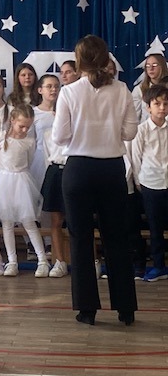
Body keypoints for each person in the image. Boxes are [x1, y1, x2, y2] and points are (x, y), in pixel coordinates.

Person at [52, 34, 138, 326]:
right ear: (105, 58)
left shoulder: (69, 92)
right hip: (111, 169)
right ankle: (125, 309)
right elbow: (130, 133)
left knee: (81, 238)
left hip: (78, 169)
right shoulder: (122, 90)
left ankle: (87, 309)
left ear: (79, 61)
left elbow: (60, 136)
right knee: (117, 238)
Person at [0, 104, 49, 278]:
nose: (24, 130)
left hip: (21, 181)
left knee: (28, 222)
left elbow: (28, 162)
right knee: (7, 223)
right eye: (21, 126)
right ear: (12, 120)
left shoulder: (29, 142)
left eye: (27, 127)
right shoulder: (1, 138)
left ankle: (42, 260)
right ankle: (12, 261)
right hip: (2, 182)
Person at [131, 85, 168, 282]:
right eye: (157, 104)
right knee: (155, 228)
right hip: (150, 184)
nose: (161, 108)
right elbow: (136, 159)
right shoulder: (141, 130)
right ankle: (158, 266)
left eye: (165, 104)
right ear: (148, 107)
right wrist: (140, 182)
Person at [41, 128, 69, 278]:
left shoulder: (78, 131)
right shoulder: (48, 133)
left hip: (73, 170)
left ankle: (85, 261)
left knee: (78, 220)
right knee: (56, 221)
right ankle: (59, 261)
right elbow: (47, 157)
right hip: (55, 171)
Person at [131, 54, 168, 123]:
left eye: (154, 65)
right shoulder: (139, 89)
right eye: (148, 66)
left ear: (162, 67)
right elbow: (134, 116)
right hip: (147, 128)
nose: (151, 68)